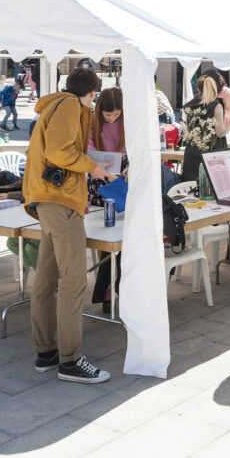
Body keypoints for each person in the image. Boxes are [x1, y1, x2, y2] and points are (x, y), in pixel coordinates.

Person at [24, 67, 111, 383]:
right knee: (73, 281)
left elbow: (56, 154)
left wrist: (77, 192)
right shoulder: (70, 106)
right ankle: (70, 361)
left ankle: (47, 353)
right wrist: (93, 167)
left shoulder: (56, 104)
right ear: (91, 93)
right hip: (58, 204)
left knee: (46, 281)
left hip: (52, 201)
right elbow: (60, 152)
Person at [87, 87, 126, 314]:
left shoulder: (128, 122)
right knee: (105, 237)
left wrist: (129, 167)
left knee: (121, 236)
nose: (112, 119)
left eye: (116, 115)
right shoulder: (92, 122)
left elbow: (136, 148)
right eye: (108, 115)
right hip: (99, 180)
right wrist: (100, 170)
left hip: (121, 179)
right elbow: (89, 149)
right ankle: (107, 288)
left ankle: (111, 287)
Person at [180, 76, 229, 184]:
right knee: (212, 187)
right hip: (212, 153)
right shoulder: (216, 105)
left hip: (192, 153)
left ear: (198, 89)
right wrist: (229, 127)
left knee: (191, 187)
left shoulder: (190, 106)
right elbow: (220, 132)